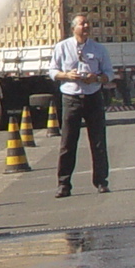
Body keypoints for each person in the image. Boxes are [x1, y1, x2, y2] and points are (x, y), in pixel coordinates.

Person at [51, 14, 114, 199]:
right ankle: (64, 184)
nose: (86, 26)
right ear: (73, 27)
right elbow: (52, 71)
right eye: (82, 23)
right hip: (71, 97)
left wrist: (97, 78)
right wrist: (66, 75)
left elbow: (109, 73)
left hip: (93, 96)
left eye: (88, 23)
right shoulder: (62, 47)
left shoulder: (98, 49)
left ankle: (101, 181)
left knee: (98, 141)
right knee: (68, 142)